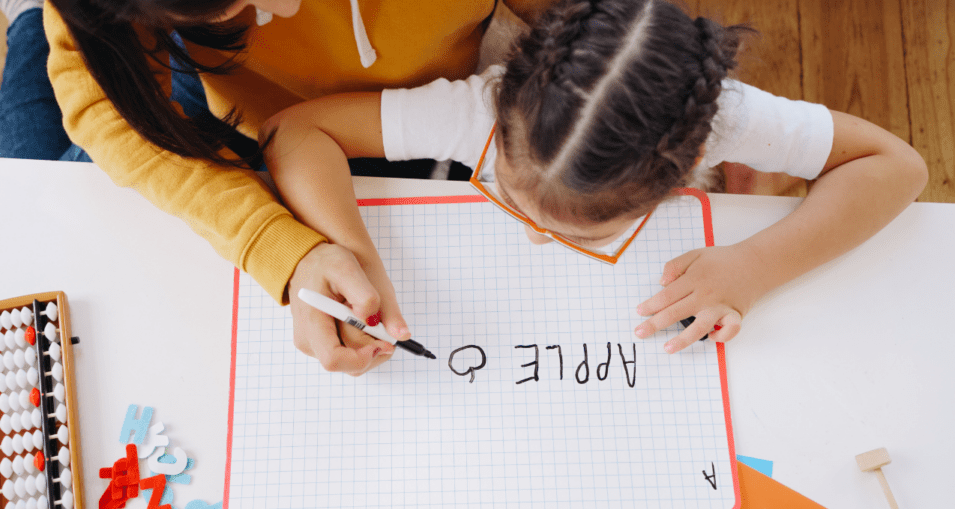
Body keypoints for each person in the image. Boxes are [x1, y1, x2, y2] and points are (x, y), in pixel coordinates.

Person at [260, 0, 928, 357]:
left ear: (681, 175)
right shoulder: (474, 110)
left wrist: (754, 267)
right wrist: (356, 255)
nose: (537, 238)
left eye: (574, 226)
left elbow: (897, 167)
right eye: (516, 200)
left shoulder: (726, 119)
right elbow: (294, 132)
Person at [0, 0, 558, 376]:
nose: (282, 9)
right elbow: (107, 109)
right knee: (26, 205)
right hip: (246, 121)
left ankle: (28, 20)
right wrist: (276, 243)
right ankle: (34, 19)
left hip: (422, 110)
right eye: (231, 13)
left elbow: (608, 34)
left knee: (25, 188)